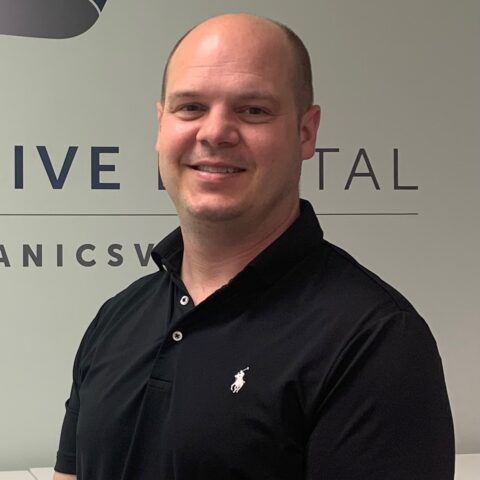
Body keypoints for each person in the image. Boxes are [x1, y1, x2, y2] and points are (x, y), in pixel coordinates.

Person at [53, 13, 455, 480]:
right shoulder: (117, 319)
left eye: (253, 110)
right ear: (161, 125)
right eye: (191, 107)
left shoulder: (375, 342)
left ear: (306, 132)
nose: (214, 132)